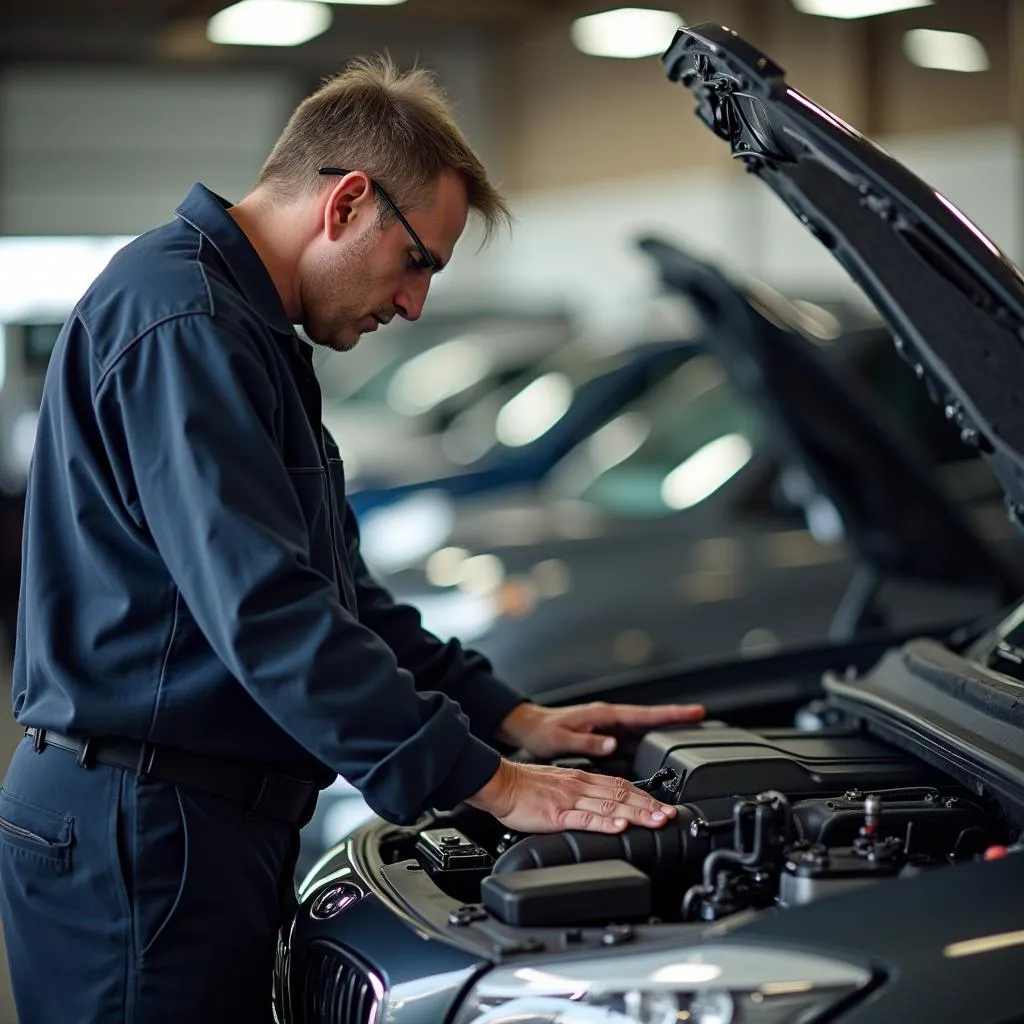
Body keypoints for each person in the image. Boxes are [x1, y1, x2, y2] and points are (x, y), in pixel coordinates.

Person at [0, 57, 705, 1023]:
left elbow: (337, 594)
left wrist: (509, 717)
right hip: (143, 828)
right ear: (347, 203)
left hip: (183, 822)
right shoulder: (186, 322)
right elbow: (269, 617)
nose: (414, 303)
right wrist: (489, 785)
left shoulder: (242, 328)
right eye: (419, 260)